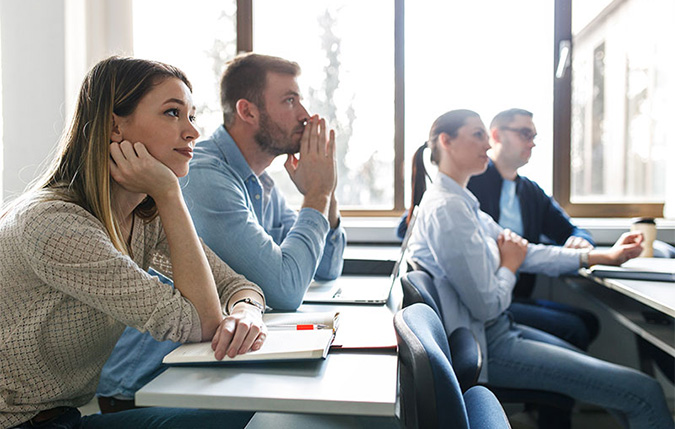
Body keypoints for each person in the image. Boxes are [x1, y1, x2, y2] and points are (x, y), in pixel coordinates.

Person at [0, 56, 267, 429]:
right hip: (21, 425)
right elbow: (200, 322)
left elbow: (237, 286)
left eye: (192, 115)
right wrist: (169, 194)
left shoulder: (142, 217)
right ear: (114, 126)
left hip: (62, 419)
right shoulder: (54, 225)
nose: (192, 132)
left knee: (246, 414)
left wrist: (247, 312)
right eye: (173, 113)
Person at [96, 52, 346, 412]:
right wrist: (317, 194)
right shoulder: (204, 174)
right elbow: (286, 289)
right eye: (290, 100)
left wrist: (326, 191)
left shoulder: (259, 183)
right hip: (146, 387)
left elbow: (326, 268)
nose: (305, 115)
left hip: (202, 367)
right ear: (247, 111)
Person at [406, 109, 674, 428]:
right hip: (490, 343)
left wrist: (603, 257)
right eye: (477, 135)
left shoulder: (462, 202)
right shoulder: (448, 210)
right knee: (644, 391)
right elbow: (488, 301)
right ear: (446, 141)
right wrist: (509, 265)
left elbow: (527, 251)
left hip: (500, 327)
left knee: (626, 393)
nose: (487, 146)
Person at [466, 108, 599, 350]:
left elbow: (571, 229)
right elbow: (409, 225)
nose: (532, 143)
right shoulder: (470, 182)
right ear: (496, 135)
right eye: (525, 134)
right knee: (575, 329)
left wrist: (580, 241)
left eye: (534, 137)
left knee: (590, 322)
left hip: (517, 296)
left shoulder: (531, 192)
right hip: (487, 299)